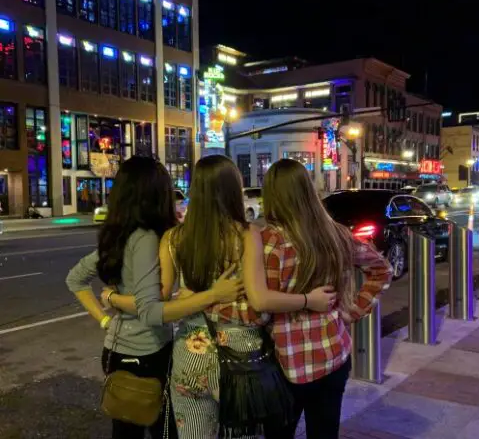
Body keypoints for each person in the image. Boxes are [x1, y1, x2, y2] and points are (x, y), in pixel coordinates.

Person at [103, 155, 336, 438]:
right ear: (232, 189)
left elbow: (159, 302)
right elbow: (258, 298)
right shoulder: (249, 234)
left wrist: (186, 297)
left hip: (189, 352)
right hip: (241, 354)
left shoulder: (173, 238)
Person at [66, 156, 242, 439]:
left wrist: (106, 317)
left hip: (117, 350)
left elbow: (75, 279)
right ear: (154, 193)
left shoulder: (119, 236)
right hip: (146, 353)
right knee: (166, 430)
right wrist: (211, 295)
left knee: (126, 431)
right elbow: (150, 307)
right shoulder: (147, 238)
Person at [249, 158, 393, 439]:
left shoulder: (267, 242)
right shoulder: (336, 234)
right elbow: (382, 270)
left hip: (283, 364)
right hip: (333, 355)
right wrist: (353, 310)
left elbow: (260, 311)